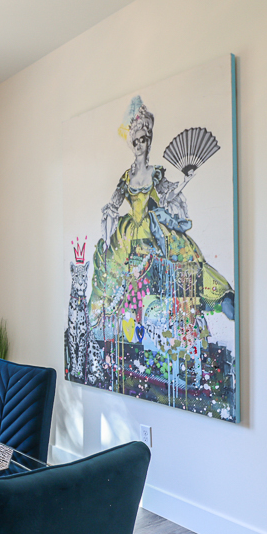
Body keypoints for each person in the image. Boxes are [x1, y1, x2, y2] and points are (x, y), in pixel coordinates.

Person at [87, 99, 233, 389]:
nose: (141, 143)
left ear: (149, 140)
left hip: (154, 229)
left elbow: (167, 194)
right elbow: (112, 206)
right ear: (131, 141)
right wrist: (108, 231)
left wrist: (185, 180)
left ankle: (222, 297)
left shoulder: (156, 173)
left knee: (188, 260)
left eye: (145, 138)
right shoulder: (127, 177)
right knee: (115, 280)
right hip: (131, 234)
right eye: (137, 139)